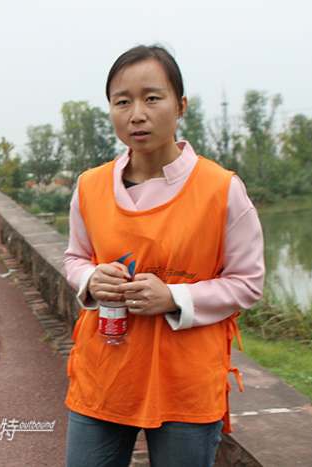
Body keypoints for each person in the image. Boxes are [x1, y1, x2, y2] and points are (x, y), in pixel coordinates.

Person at [63, 45, 265, 467]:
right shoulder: (90, 187)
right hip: (106, 371)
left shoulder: (220, 189)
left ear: (180, 106)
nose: (137, 114)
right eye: (122, 101)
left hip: (185, 379)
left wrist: (174, 297)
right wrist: (90, 279)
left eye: (152, 98)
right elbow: (75, 258)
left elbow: (247, 282)